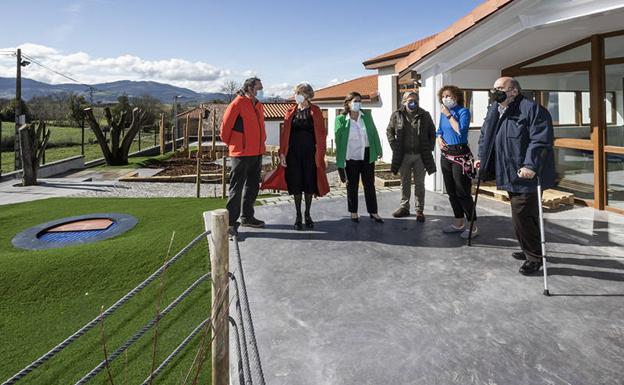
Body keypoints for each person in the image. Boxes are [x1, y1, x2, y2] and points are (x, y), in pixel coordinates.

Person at [476, 77, 555, 275]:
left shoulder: (532, 109)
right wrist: (482, 158)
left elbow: (540, 140)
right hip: (507, 170)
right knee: (525, 214)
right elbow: (486, 135)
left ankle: (534, 257)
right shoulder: (495, 109)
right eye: (493, 88)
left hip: (526, 174)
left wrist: (530, 165)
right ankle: (528, 247)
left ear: (514, 91)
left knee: (521, 214)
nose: (495, 92)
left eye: (500, 88)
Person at [278, 82, 330, 230]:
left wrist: (321, 155)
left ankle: (307, 214)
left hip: (310, 154)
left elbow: (321, 134)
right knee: (296, 184)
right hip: (293, 154)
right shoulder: (290, 111)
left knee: (308, 184)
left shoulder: (316, 111)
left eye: (299, 93)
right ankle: (298, 216)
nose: (296, 96)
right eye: (295, 93)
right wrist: (282, 153)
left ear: (307, 95)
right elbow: (285, 135)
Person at [221, 77, 267, 234]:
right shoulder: (237, 103)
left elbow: (260, 127)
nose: (260, 91)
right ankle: (230, 223)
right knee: (237, 187)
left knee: (253, 186)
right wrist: (235, 144)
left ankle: (247, 217)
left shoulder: (258, 105)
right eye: (258, 88)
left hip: (257, 151)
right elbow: (225, 129)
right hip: (241, 153)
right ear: (249, 88)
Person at [386, 91, 436, 222]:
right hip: (404, 155)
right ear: (404, 102)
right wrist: (394, 147)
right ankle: (404, 208)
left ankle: (419, 210)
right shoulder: (397, 115)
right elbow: (389, 131)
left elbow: (432, 132)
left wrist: (429, 148)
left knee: (420, 183)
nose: (413, 102)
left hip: (420, 156)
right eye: (410, 100)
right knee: (405, 183)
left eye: (415, 100)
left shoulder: (425, 115)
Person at [335, 92, 384, 223]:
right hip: (351, 156)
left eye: (359, 101)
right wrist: (339, 160)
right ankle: (353, 212)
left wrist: (378, 149)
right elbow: (339, 141)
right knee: (352, 185)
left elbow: (374, 133)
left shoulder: (366, 116)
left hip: (367, 154)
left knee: (369, 184)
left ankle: (373, 212)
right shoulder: (340, 119)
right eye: (355, 101)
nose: (358, 103)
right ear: (348, 103)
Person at [436, 85, 478, 239]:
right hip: (446, 155)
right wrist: (439, 138)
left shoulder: (463, 111)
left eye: (449, 96)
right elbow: (439, 130)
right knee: (451, 192)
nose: (446, 98)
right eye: (443, 96)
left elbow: (461, 130)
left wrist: (448, 115)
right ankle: (458, 222)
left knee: (463, 192)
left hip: (460, 155)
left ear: (456, 97)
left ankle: (473, 226)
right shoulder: (442, 113)